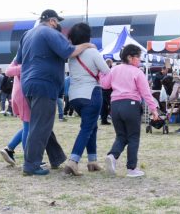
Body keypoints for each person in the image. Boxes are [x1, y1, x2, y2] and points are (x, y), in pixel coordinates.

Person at [15, 9, 92, 176]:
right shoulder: (50, 32)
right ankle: (31, 165)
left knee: (42, 122)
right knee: (41, 126)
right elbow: (69, 51)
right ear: (52, 21)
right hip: (45, 83)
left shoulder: (27, 34)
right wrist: (86, 45)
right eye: (57, 21)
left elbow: (19, 59)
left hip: (28, 83)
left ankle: (56, 158)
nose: (58, 25)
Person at [101, 44, 160, 178]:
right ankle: (131, 168)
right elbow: (146, 93)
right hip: (131, 105)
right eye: (137, 57)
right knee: (133, 137)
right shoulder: (137, 72)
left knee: (121, 136)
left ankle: (112, 155)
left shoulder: (114, 70)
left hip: (115, 105)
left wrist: (101, 71)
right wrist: (153, 109)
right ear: (130, 57)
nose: (139, 59)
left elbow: (104, 85)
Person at [64, 23, 111, 176]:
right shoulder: (92, 52)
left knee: (91, 126)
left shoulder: (72, 54)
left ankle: (92, 161)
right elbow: (106, 71)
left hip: (74, 96)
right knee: (87, 128)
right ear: (88, 37)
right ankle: (73, 160)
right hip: (91, 93)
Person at [100, 59, 114, 125]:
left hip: (102, 89)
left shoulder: (101, 70)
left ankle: (103, 120)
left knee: (104, 106)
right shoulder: (110, 70)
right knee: (113, 105)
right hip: (109, 89)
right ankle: (115, 119)